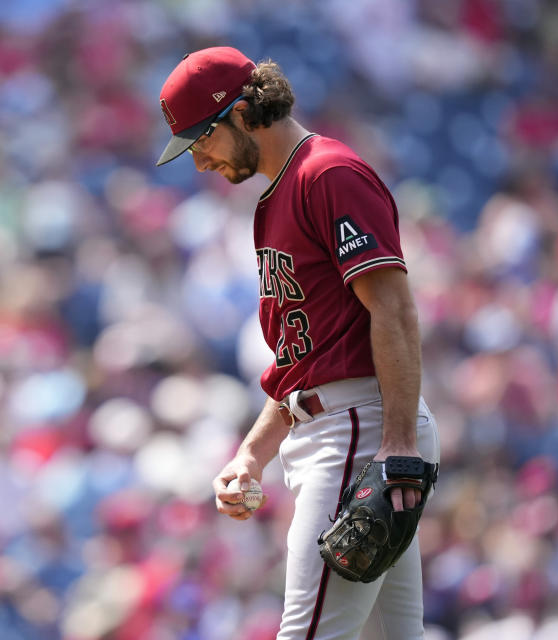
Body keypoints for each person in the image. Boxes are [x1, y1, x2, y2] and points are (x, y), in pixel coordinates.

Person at [156, 46, 440, 640]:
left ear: (239, 113)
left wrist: (398, 442)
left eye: (201, 140)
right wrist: (251, 455)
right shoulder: (273, 198)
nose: (200, 162)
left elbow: (392, 308)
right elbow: (301, 360)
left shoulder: (328, 173)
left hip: (360, 429)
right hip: (334, 423)